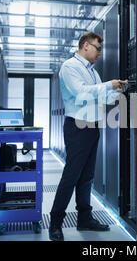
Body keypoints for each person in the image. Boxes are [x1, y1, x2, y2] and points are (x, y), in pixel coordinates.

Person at [49, 32, 128, 241]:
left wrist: (118, 90)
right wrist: (108, 85)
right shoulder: (70, 67)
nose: (100, 53)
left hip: (93, 126)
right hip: (77, 126)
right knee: (71, 176)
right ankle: (55, 223)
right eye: (97, 48)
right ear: (85, 45)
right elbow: (81, 93)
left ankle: (84, 219)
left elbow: (102, 95)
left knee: (87, 177)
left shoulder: (93, 72)